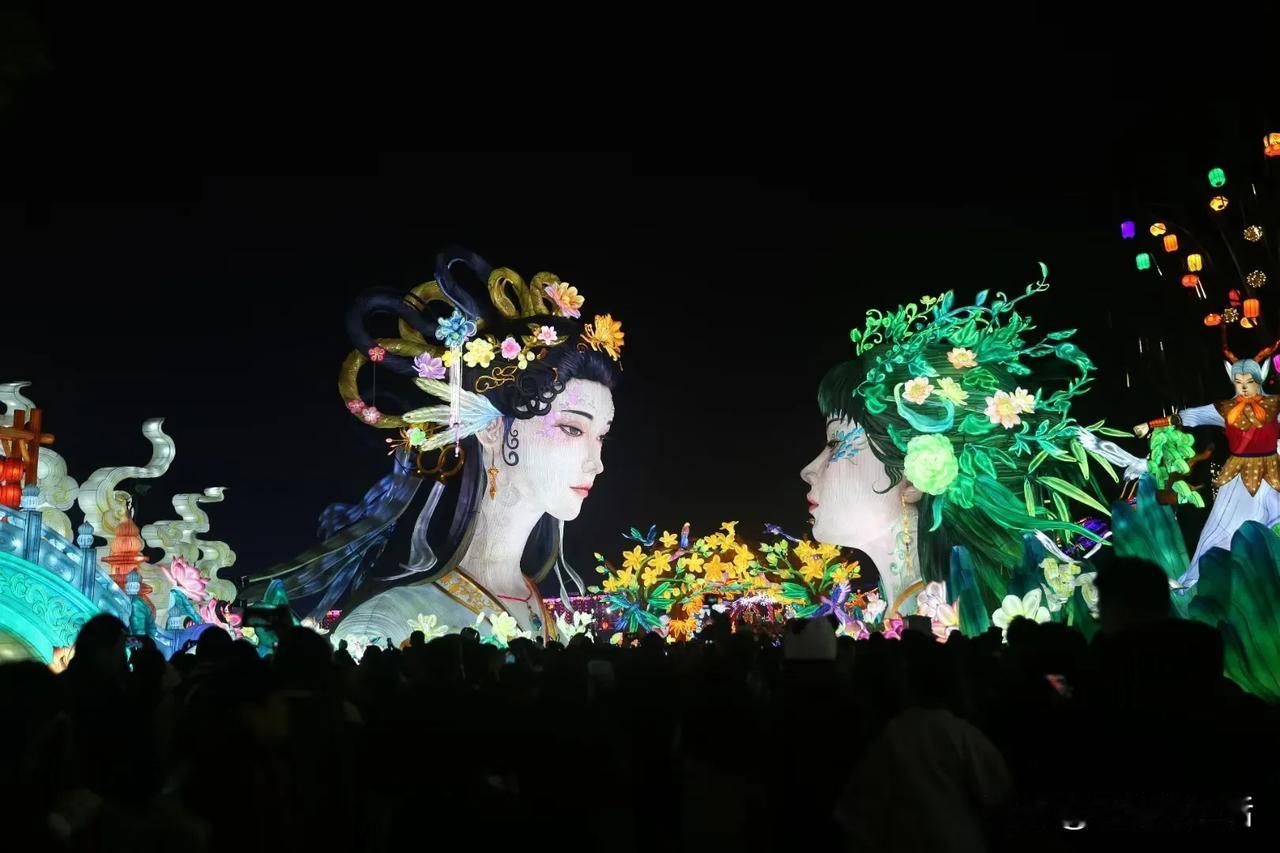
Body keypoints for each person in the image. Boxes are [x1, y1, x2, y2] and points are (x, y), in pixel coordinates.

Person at [318, 249, 625, 648]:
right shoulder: (385, 627)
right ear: (493, 430)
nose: (596, 463)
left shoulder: (543, 610)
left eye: (600, 435)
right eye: (571, 429)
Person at [801, 271, 1111, 626]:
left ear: (911, 476)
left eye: (836, 441)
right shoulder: (896, 610)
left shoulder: (960, 620)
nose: (809, 469)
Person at [1134, 344, 1280, 587]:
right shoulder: (1225, 408)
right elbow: (1190, 416)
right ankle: (1194, 579)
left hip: (1273, 471)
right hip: (1238, 474)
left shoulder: (1275, 405)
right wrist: (1150, 425)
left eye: (1249, 381)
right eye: (1238, 381)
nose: (1244, 386)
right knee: (1219, 527)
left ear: (1260, 378)